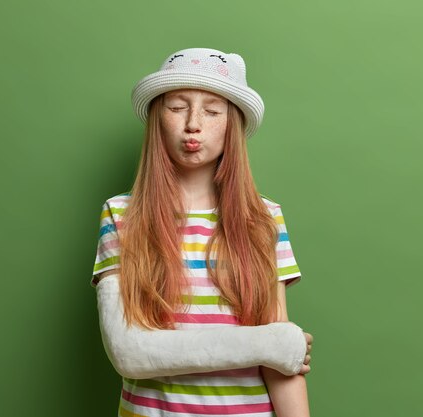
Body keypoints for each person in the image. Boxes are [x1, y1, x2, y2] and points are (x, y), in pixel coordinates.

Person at [91, 47, 314, 417]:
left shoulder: (265, 219)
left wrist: (279, 346)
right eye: (177, 107)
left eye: (212, 111)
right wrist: (271, 343)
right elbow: (127, 352)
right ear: (157, 119)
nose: (193, 123)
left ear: (233, 125)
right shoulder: (120, 215)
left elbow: (281, 360)